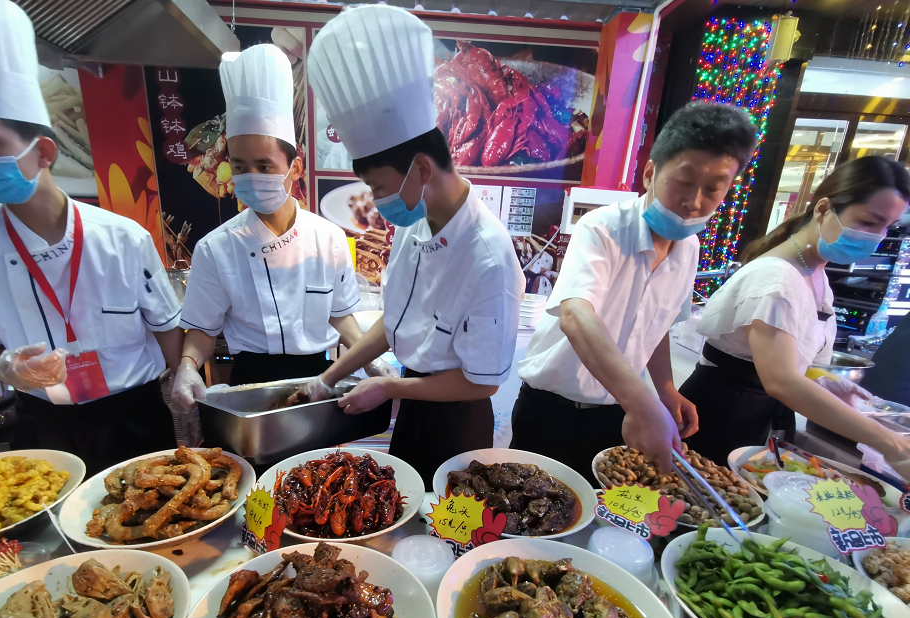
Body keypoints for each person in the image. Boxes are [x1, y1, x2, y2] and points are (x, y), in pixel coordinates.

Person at [0, 0, 183, 474]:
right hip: (43, 428)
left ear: (42, 150)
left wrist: (186, 387)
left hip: (136, 419)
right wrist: (3, 366)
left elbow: (167, 329)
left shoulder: (123, 236)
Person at [301, 5, 525, 486]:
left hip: (456, 419)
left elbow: (483, 380)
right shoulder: (416, 224)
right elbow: (396, 318)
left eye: (381, 188)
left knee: (445, 532)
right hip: (413, 405)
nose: (378, 203)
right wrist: (328, 377)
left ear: (421, 169)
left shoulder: (488, 255)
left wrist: (388, 386)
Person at [512, 102, 758, 480]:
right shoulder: (602, 228)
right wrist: (644, 404)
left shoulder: (688, 247)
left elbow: (655, 325)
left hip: (619, 413)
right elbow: (576, 315)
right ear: (650, 173)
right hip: (552, 410)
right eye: (684, 181)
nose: (694, 202)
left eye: (713, 189)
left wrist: (664, 390)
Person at [171, 44, 392, 411]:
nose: (250, 177)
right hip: (248, 382)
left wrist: (369, 357)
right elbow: (203, 330)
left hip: (315, 379)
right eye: (240, 166)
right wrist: (188, 365)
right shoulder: (216, 248)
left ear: (296, 168)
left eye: (264, 165)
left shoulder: (328, 238)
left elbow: (339, 314)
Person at [679, 156, 910, 480]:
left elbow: (790, 359)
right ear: (823, 208)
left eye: (887, 226)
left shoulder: (815, 273)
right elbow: (781, 380)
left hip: (753, 420)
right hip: (718, 418)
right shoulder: (777, 279)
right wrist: (891, 444)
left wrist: (822, 379)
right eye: (869, 222)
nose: (879, 236)